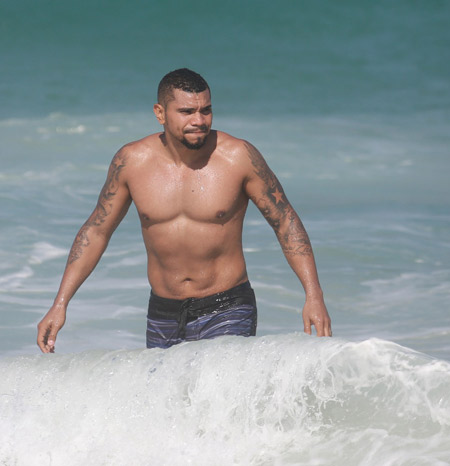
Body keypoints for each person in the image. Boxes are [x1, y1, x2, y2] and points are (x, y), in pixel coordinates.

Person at [37, 68, 331, 353]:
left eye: (206, 110)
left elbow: (285, 221)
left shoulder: (238, 157)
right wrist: (60, 304)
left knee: (218, 396)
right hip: (164, 314)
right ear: (160, 113)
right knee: (169, 401)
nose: (199, 120)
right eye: (187, 112)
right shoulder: (131, 162)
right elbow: (97, 230)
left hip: (227, 308)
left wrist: (313, 294)